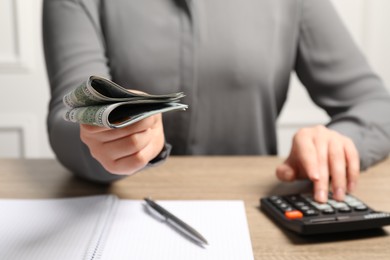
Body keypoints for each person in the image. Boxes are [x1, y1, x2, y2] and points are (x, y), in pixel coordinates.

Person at [43, 0, 390, 203]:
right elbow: (69, 111)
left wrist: (339, 144)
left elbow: (374, 104)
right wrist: (103, 130)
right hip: (122, 209)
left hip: (254, 211)